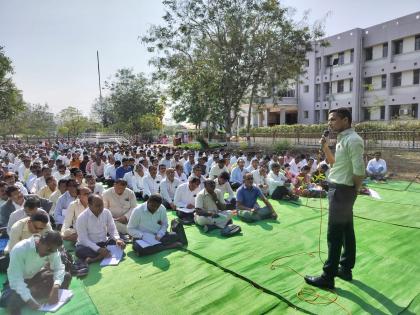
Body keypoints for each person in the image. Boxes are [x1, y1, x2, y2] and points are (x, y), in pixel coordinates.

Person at [305, 108, 365, 289]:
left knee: (334, 234)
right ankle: (345, 269)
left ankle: (328, 276)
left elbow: (359, 170)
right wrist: (325, 147)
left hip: (342, 191)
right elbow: (333, 163)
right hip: (340, 189)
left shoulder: (353, 140)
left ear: (345, 120)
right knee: (346, 230)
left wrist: (354, 189)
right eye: (329, 120)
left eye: (333, 119)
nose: (329, 123)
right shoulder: (342, 139)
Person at [0, 231, 71, 315]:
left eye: (53, 251)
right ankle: (32, 292)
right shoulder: (20, 249)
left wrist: (55, 288)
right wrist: (29, 300)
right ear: (40, 242)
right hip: (18, 281)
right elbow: (15, 280)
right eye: (48, 249)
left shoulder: (52, 250)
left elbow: (59, 268)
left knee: (66, 276)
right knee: (6, 300)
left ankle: (32, 292)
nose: (49, 253)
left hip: (36, 276)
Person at [75, 194, 126, 263]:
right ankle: (103, 254)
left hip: (104, 243)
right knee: (79, 251)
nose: (100, 207)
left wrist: (117, 239)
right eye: (97, 206)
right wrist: (98, 249)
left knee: (121, 242)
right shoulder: (82, 218)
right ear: (89, 205)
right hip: (89, 246)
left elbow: (112, 229)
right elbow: (83, 239)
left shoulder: (106, 212)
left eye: (101, 205)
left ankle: (96, 258)